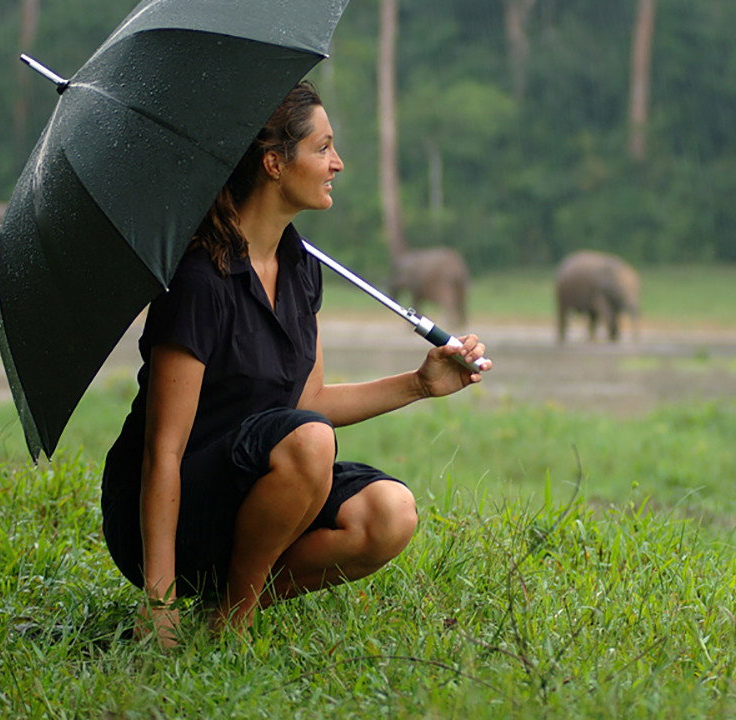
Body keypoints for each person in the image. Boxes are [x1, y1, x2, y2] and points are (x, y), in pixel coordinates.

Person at [100, 81, 490, 644]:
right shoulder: (198, 281)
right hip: (173, 510)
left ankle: (231, 604)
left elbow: (309, 406)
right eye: (323, 147)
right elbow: (164, 450)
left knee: (390, 513)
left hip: (262, 486)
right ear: (274, 163)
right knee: (309, 441)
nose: (338, 163)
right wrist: (158, 599)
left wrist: (420, 384)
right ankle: (231, 619)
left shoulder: (301, 268)